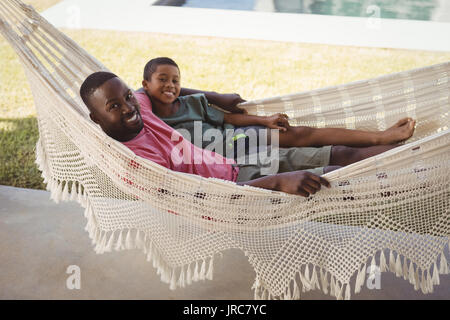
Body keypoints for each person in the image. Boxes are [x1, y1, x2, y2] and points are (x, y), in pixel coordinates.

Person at [79, 72, 411, 197]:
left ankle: (415, 156)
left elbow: (151, 87)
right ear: (96, 119)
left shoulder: (140, 108)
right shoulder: (139, 162)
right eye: (114, 106)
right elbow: (201, 199)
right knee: (335, 178)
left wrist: (214, 97)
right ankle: (419, 175)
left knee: (342, 154)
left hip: (234, 161)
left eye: (126, 97)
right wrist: (278, 182)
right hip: (240, 187)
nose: (128, 106)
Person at [140, 57, 416, 163]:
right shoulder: (142, 113)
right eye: (162, 79)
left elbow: (229, 118)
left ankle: (381, 137)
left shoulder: (192, 103)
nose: (170, 85)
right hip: (224, 160)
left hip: (237, 138)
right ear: (146, 84)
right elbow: (129, 94)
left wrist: (265, 119)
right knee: (311, 156)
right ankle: (389, 151)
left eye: (176, 80)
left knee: (301, 134)